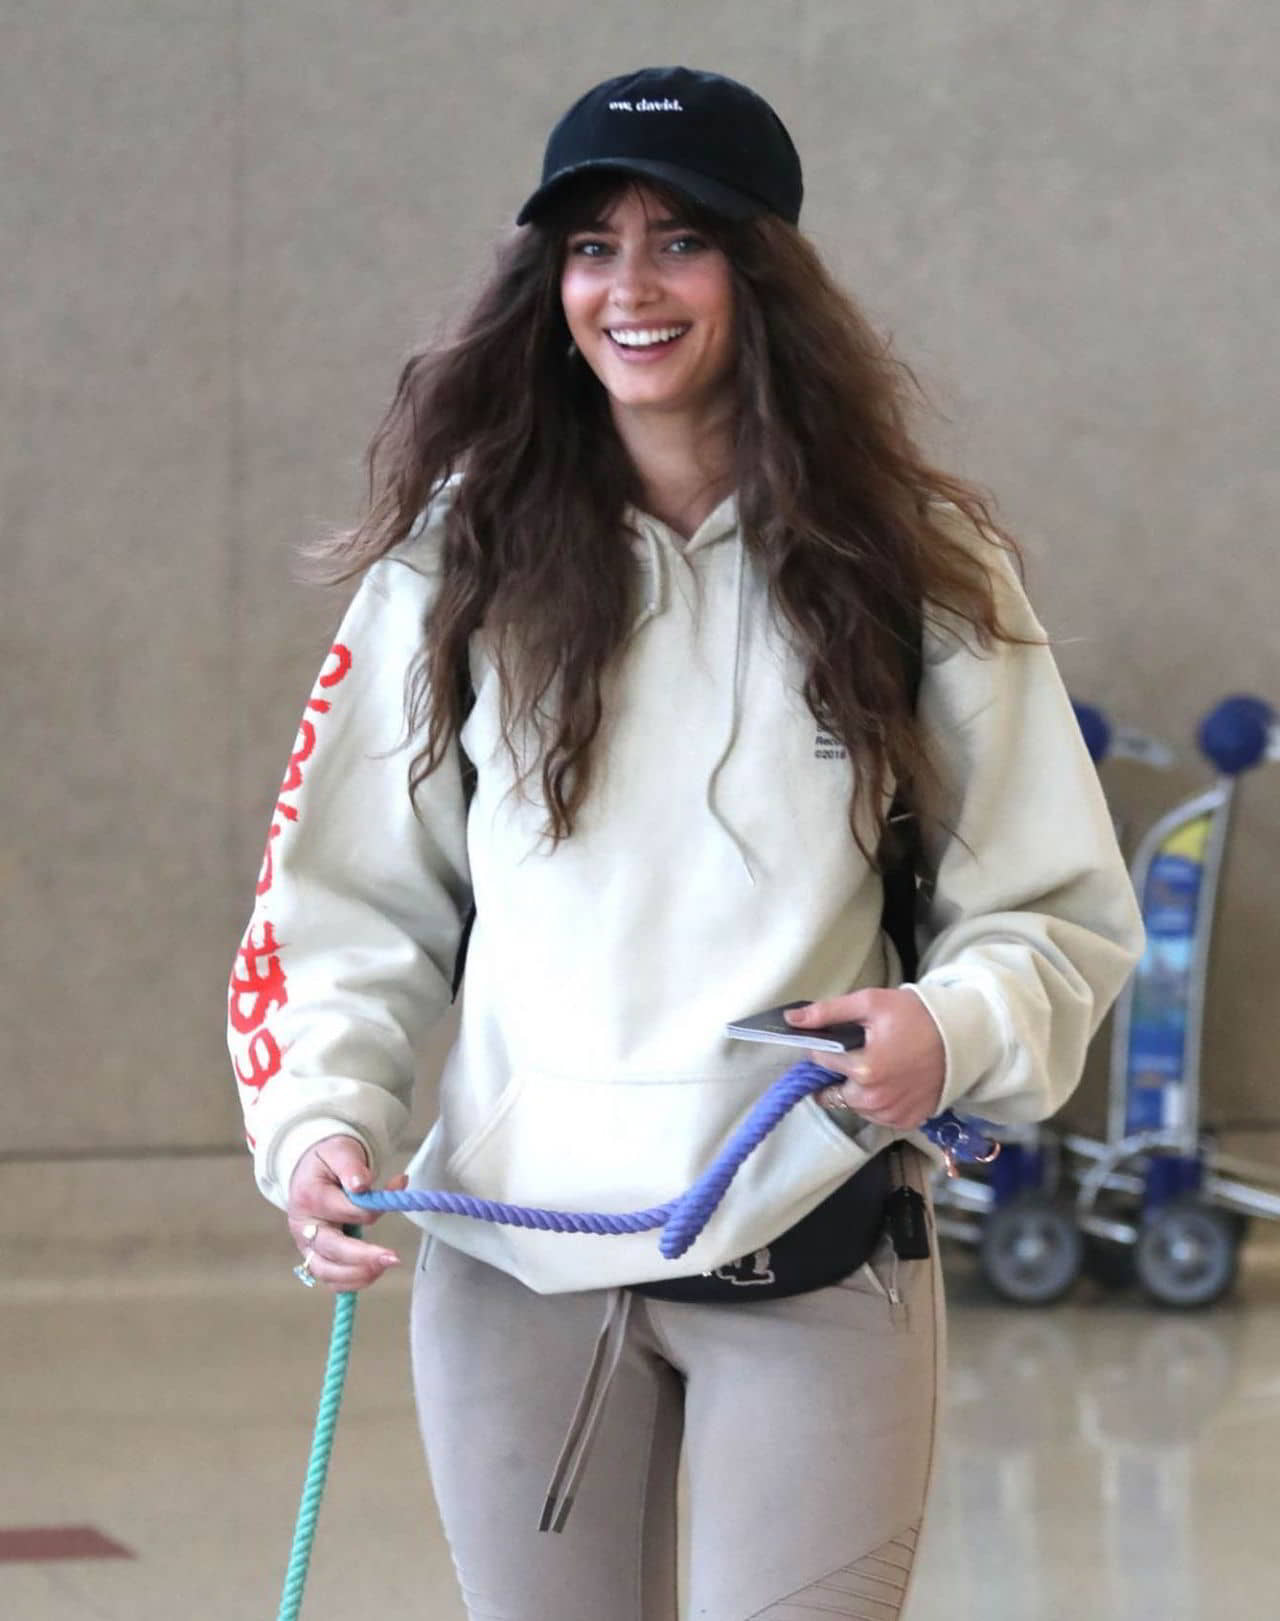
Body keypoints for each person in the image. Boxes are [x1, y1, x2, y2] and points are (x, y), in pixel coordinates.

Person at [228, 65, 1143, 1621]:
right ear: (549, 285)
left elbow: (1052, 911)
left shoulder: (920, 567)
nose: (629, 287)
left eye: (678, 242)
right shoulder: (454, 567)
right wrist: (318, 1122)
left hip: (815, 1245)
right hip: (511, 1266)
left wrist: (951, 1026)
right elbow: (345, 908)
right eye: (591, 246)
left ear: (761, 272)